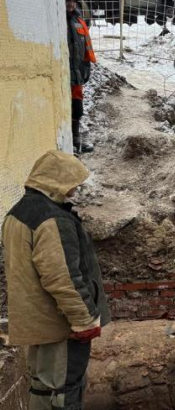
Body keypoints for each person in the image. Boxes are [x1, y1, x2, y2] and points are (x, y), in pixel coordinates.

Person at [2, 150, 110, 410]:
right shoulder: (53, 219)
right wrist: (84, 320)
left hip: (38, 321)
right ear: (56, 181)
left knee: (42, 386)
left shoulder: (18, 211)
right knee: (61, 391)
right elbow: (62, 277)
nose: (76, 188)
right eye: (73, 183)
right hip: (61, 324)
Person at [64, 0, 97, 155]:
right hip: (62, 74)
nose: (71, 4)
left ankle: (76, 140)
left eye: (73, 0)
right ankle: (67, 142)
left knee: (77, 107)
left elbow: (84, 49)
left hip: (75, 73)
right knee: (64, 106)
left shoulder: (79, 21)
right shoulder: (57, 21)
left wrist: (84, 71)